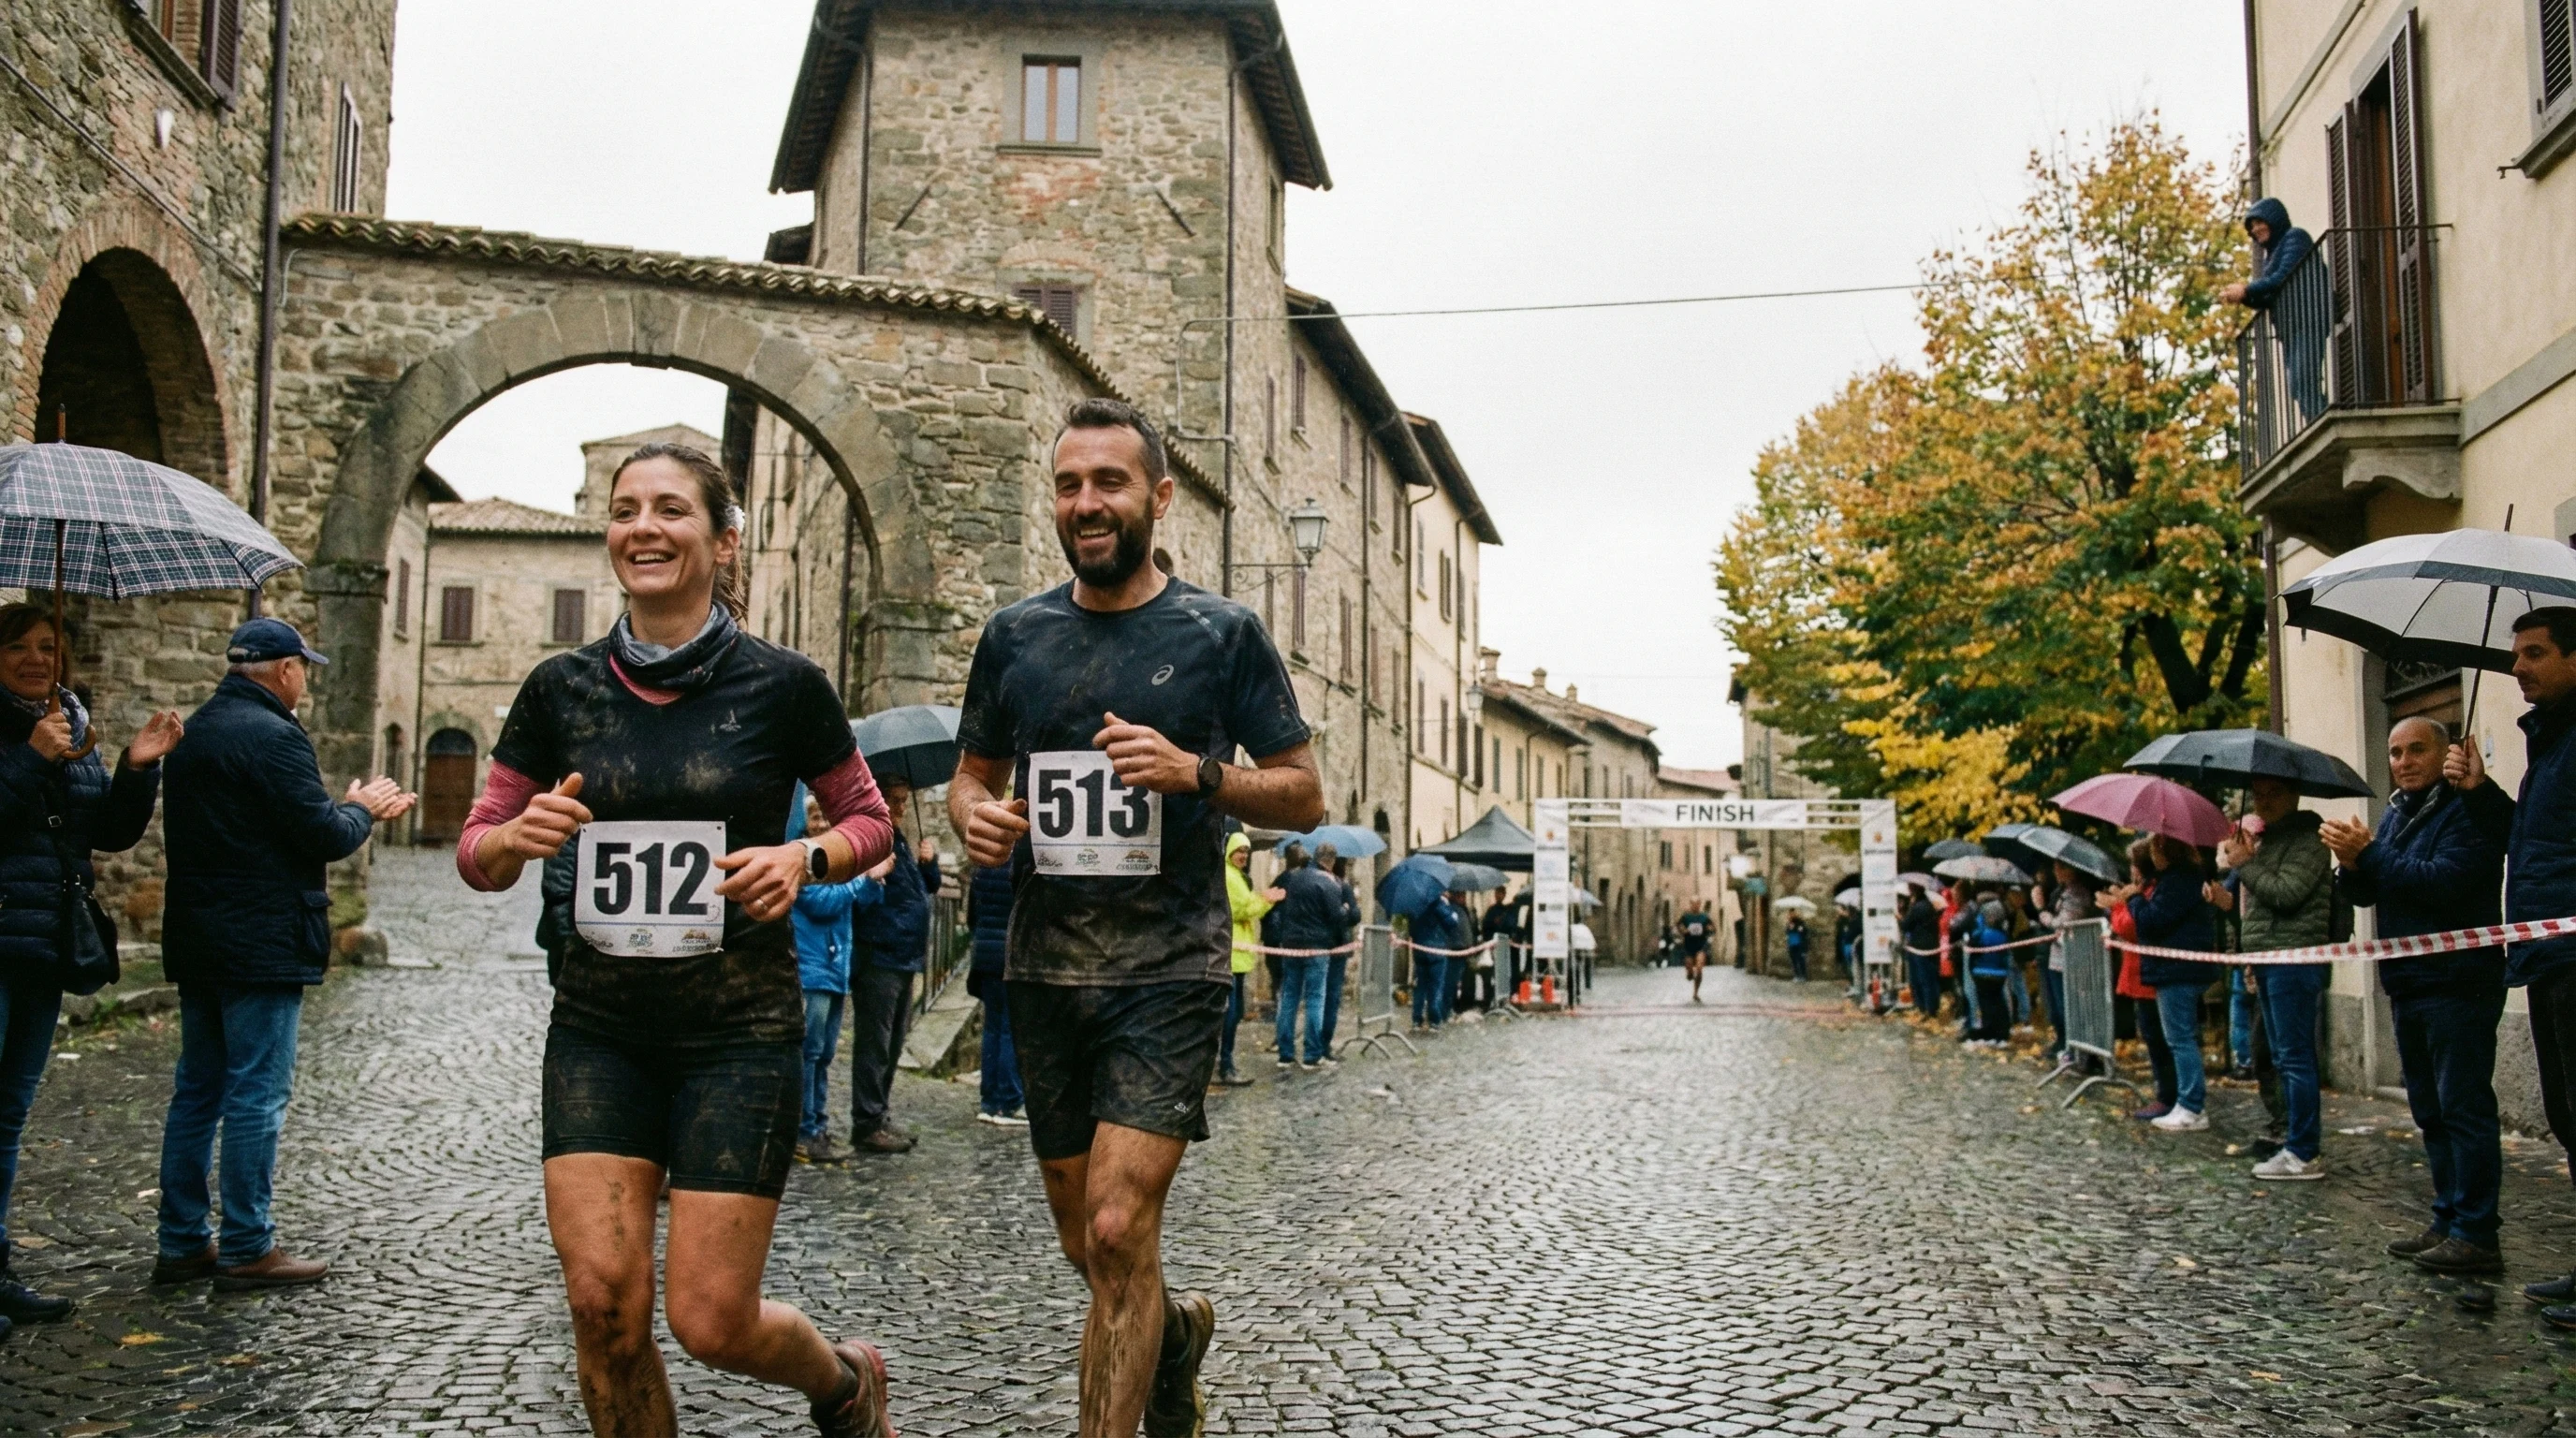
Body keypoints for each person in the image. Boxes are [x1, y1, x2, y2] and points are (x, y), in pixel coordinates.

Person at [456, 442, 900, 1437]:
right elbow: (477, 847)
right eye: (624, 511)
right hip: (600, 1029)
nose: (642, 528)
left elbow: (870, 822)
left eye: (670, 510)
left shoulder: (783, 686)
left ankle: (841, 1382)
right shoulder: (558, 689)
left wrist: (804, 861)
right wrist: (510, 843)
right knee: (602, 1309)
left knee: (710, 1320)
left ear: (722, 539)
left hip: (737, 1032)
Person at [948, 398, 1323, 1437]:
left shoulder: (1219, 634)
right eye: (1069, 485)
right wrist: (980, 818)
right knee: (1089, 1245)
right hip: (1045, 968)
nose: (1086, 503)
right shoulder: (1014, 636)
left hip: (1170, 967)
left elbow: (1303, 793)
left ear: (1158, 497)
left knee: (1118, 1226)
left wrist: (1198, 774)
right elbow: (969, 777)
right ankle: (1171, 1339)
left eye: (1109, 483)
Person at [154, 617, 413, 1294]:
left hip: (198, 937)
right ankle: (246, 1244)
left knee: (197, 1091)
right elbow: (322, 834)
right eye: (303, 668)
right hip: (262, 942)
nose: (304, 681)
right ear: (285, 670)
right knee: (255, 1096)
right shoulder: (275, 736)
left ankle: (182, 1240)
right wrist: (362, 809)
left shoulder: (196, 731)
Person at [0, 605, 179, 1333]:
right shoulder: (39, 736)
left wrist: (136, 767)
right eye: (18, 647)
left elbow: (106, 832)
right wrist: (29, 757)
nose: (37, 658)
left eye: (49, 646)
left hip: (44, 948)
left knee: (8, 1118)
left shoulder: (69, 718)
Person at [2325, 716, 2507, 1274]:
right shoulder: (2399, 814)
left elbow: (2442, 881)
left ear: (2447, 752)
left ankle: (2477, 1231)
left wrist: (2372, 856)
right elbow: (2372, 888)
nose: (2403, 761)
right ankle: (2447, 1217)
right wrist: (2352, 862)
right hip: (2408, 980)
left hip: (2458, 981)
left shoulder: (2464, 810)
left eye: (2417, 750)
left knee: (2463, 1107)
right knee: (2429, 1109)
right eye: (2395, 752)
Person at [2447, 608, 2576, 1324]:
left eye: (2535, 653)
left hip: (2572, 951)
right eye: (2516, 653)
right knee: (2567, 1116)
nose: (2518, 667)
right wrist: (2482, 793)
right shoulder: (2550, 743)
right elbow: (2531, 844)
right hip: (2549, 953)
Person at [2224, 777, 2336, 1181]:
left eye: (2272, 793)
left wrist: (2245, 865)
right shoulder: (2270, 841)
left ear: (2292, 796)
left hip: (2295, 959)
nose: (2263, 802)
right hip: (2270, 958)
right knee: (2278, 1055)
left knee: (2295, 1058)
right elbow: (2256, 908)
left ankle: (2304, 1150)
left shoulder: (2309, 841)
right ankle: (2292, 1141)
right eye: (2258, 794)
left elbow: (2286, 893)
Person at [791, 796, 884, 1164]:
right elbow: (821, 903)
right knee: (810, 1053)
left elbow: (864, 902)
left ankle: (818, 1125)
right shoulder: (802, 858)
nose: (820, 825)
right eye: (815, 818)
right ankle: (804, 1130)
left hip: (835, 969)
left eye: (826, 818)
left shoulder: (840, 862)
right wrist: (862, 879)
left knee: (825, 1054)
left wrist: (873, 879)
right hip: (814, 968)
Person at [2113, 834, 2221, 1132]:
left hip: (2177, 969)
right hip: (2175, 968)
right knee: (2179, 1038)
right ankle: (2186, 1102)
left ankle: (2191, 1105)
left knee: (2180, 1039)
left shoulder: (2178, 881)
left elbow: (2151, 920)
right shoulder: (2179, 879)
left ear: (2163, 851)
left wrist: (2133, 898)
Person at [848, 780, 931, 1154]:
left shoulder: (898, 839)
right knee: (875, 1044)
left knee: (894, 1043)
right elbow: (863, 898)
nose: (899, 808)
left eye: (902, 802)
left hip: (905, 956)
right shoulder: (873, 840)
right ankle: (866, 1121)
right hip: (880, 955)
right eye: (894, 801)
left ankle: (878, 1114)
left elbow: (922, 889)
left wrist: (929, 865)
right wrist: (875, 875)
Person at [2222, 198, 2326, 428]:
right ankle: (2318, 423)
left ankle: (2322, 424)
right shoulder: (2271, 257)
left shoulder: (2295, 238)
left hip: (2308, 320)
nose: (2256, 229)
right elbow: (2268, 297)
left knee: (2302, 380)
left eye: (2260, 222)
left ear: (2275, 218)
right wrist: (2245, 297)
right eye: (2252, 227)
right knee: (2299, 385)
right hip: (2293, 328)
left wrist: (2246, 290)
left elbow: (2282, 278)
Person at [2109, 842, 2174, 1120]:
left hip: (2147, 975)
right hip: (2140, 974)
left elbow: (2129, 927)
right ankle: (2166, 1093)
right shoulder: (2144, 891)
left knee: (2159, 1038)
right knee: (2152, 1036)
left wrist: (2121, 904)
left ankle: (2168, 1095)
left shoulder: (2149, 893)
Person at [1267, 842, 1344, 1069]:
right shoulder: (1327, 882)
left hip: (1291, 944)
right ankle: (1312, 1054)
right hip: (1317, 946)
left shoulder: (1294, 879)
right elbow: (1336, 918)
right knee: (1314, 999)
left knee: (1289, 997)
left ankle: (1285, 1054)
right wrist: (1346, 914)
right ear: (1331, 861)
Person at [967, 858, 1030, 1124]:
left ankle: (989, 1101)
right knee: (1010, 1029)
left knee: (992, 1028)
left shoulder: (983, 868)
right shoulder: (1021, 868)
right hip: (1011, 956)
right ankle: (1011, 1101)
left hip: (985, 955)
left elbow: (972, 915)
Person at [1217, 833, 1281, 1086]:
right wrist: (1265, 900)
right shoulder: (1230, 877)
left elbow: (1247, 906)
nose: (1243, 855)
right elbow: (1243, 908)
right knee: (1231, 1014)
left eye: (1246, 850)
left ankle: (1226, 1062)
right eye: (1239, 850)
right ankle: (1226, 1065)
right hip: (1231, 957)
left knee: (1234, 1012)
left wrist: (1262, 900)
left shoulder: (1236, 876)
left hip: (1238, 957)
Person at [2033, 861, 2098, 1061]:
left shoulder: (2077, 895)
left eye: (2060, 867)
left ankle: (2076, 1050)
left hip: (2070, 959)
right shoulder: (2061, 891)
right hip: (2056, 957)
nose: (2055, 871)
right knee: (2057, 1006)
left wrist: (2042, 910)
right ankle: (2065, 1044)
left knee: (2067, 1007)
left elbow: (2062, 924)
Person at [1312, 846, 1361, 1058]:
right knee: (1329, 998)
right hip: (1336, 946)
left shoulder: (1310, 881)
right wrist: (1346, 912)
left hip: (1320, 945)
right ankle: (1323, 1046)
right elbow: (1355, 914)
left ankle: (1315, 1045)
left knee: (1315, 997)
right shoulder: (1342, 886)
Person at [1412, 890, 1469, 1032]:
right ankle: (1434, 1020)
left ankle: (1417, 1020)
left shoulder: (1415, 903)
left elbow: (1412, 928)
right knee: (1436, 986)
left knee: (1421, 986)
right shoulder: (1437, 902)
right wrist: (1448, 907)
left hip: (1419, 950)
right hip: (1436, 949)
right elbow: (1451, 922)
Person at [1963, 901, 2013, 1047]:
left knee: (1986, 1004)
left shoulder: (1982, 933)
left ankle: (1989, 1031)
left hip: (1981, 973)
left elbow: (1971, 945)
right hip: (1999, 974)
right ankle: (2002, 1031)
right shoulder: (2003, 935)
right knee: (1999, 1002)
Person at [1900, 885, 1942, 1019]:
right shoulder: (1929, 905)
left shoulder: (1917, 907)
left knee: (1921, 979)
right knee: (1930, 979)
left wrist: (1900, 915)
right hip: (1931, 946)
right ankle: (1932, 1008)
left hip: (1919, 948)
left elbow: (1905, 925)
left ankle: (1925, 1008)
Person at [1676, 903, 1714, 1004]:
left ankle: (1696, 993)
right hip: (1688, 946)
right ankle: (1689, 973)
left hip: (1701, 946)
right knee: (1690, 975)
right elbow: (1678, 925)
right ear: (1691, 904)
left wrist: (1709, 929)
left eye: (1697, 904)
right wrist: (1684, 931)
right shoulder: (1686, 916)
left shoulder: (1704, 916)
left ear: (1699, 904)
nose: (1695, 906)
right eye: (1693, 904)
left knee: (1699, 969)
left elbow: (1713, 928)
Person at [1783, 913, 1810, 982]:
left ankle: (1803, 976)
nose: (1790, 916)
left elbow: (1805, 932)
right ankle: (1797, 975)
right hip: (1792, 944)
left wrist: (1798, 929)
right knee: (1794, 961)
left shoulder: (1801, 924)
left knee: (1801, 960)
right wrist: (1789, 928)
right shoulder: (1789, 924)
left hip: (1799, 944)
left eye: (1791, 914)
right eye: (1789, 915)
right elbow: (1787, 932)